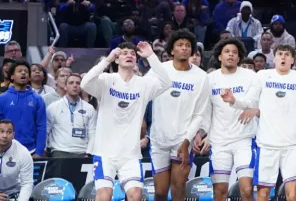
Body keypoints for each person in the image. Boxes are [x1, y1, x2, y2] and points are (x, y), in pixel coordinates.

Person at [221, 44, 296, 201]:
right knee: (263, 193)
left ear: (292, 60)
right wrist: (233, 100)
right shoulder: (263, 76)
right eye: (280, 54)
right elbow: (249, 101)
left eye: (287, 54)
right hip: (266, 145)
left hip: (291, 146)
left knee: (292, 195)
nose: (283, 57)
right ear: (274, 58)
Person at [82, 41, 171, 201]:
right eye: (124, 53)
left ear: (136, 60)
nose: (129, 55)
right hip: (105, 153)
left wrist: (151, 56)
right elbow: (85, 83)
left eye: (132, 53)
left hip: (130, 154)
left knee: (135, 195)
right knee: (104, 196)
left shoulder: (143, 84)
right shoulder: (106, 80)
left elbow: (166, 82)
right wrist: (106, 60)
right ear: (117, 59)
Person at [151, 30, 210, 201]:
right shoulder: (160, 70)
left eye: (188, 46)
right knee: (160, 192)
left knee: (178, 189)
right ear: (171, 50)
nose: (184, 48)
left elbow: (199, 114)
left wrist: (186, 142)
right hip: (159, 139)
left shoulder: (201, 77)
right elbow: (142, 91)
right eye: (180, 45)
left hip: (183, 139)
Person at [202, 38, 257, 201]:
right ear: (219, 57)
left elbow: (252, 103)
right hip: (219, 142)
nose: (231, 55)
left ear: (239, 57)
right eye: (227, 52)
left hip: (244, 140)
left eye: (234, 52)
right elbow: (206, 111)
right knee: (220, 191)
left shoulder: (250, 77)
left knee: (246, 189)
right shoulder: (210, 79)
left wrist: (235, 101)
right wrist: (205, 134)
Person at [0, 60, 45, 156]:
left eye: (26, 71)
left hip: (31, 151)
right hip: (5, 150)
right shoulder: (2, 99)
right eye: (19, 71)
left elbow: (41, 126)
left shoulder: (38, 99)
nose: (23, 73)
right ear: (12, 76)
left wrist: (39, 151)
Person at [45, 73, 96, 157]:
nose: (75, 85)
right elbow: (46, 131)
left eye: (78, 83)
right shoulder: (53, 107)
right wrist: (44, 150)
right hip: (59, 152)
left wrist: (89, 153)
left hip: (82, 152)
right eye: (71, 83)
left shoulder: (89, 108)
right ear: (65, 87)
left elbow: (92, 133)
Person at [0, 119, 34, 201]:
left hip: (13, 192)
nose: (4, 135)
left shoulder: (23, 153)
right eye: (1, 131)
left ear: (13, 135)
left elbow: (27, 183)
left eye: (9, 132)